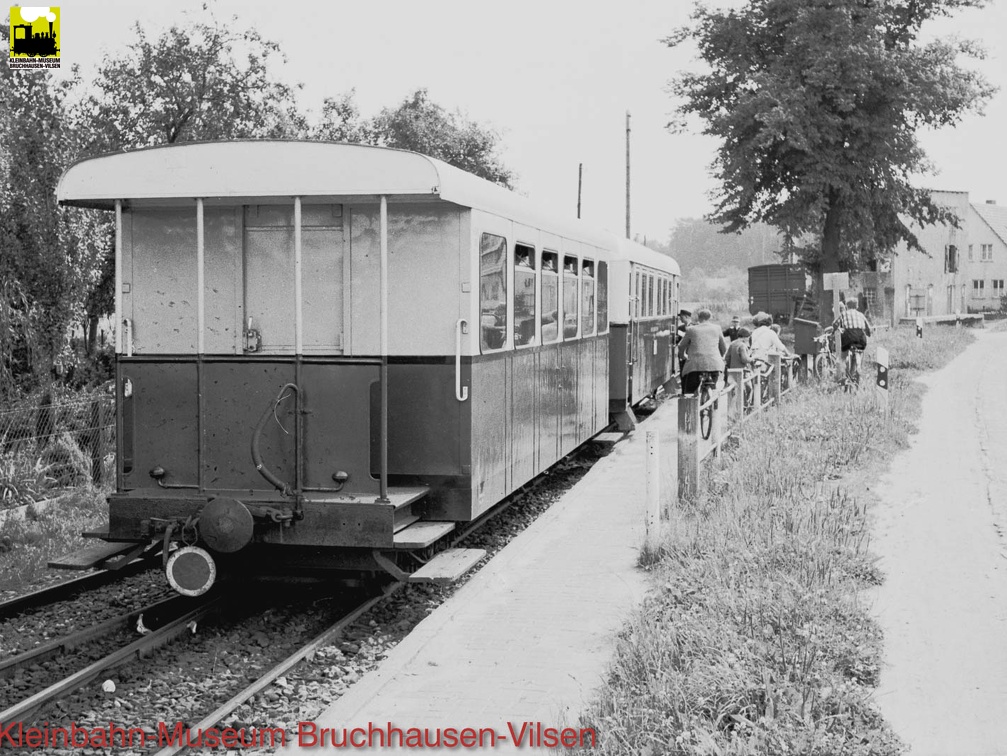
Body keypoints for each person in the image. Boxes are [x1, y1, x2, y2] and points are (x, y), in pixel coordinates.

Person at [678, 308, 728, 395]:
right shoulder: (717, 328)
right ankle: (713, 399)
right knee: (713, 385)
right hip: (714, 364)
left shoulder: (691, 329)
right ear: (710, 317)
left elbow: (681, 346)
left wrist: (683, 356)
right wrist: (721, 357)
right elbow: (723, 347)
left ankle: (690, 401)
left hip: (695, 365)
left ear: (698, 317)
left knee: (688, 391)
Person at [832, 296, 871, 362]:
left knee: (843, 354)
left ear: (847, 306)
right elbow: (868, 328)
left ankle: (843, 365)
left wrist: (835, 330)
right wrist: (868, 334)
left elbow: (835, 324)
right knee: (860, 350)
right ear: (857, 306)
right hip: (861, 338)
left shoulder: (843, 314)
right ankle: (859, 365)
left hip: (848, 337)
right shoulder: (861, 314)